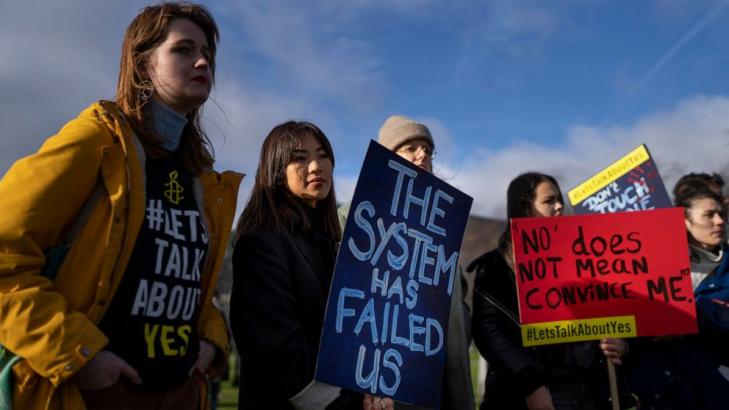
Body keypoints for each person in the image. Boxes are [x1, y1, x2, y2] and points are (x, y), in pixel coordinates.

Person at [0, 3, 241, 409]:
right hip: (94, 393)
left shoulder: (202, 178)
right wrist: (80, 357)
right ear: (143, 65)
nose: (203, 60)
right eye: (183, 49)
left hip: (181, 392)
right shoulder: (99, 140)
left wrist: (212, 342)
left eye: (207, 53)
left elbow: (196, 288)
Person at [230, 121, 379, 410]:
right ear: (275, 171)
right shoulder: (261, 244)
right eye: (299, 158)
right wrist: (348, 402)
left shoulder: (334, 247)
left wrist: (367, 392)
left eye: (323, 155)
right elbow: (278, 361)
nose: (315, 166)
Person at [339, 115, 475, 410]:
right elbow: (346, 302)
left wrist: (458, 326)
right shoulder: (355, 215)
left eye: (427, 149)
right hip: (379, 385)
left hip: (438, 384)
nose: (422, 154)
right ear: (387, 156)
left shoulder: (442, 226)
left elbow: (456, 292)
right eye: (410, 147)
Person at [469, 172, 629, 410]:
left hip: (588, 394)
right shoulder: (495, 267)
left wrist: (621, 343)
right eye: (549, 201)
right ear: (525, 207)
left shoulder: (586, 259)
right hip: (525, 396)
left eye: (559, 200)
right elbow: (491, 334)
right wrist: (532, 385)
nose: (559, 206)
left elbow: (609, 316)